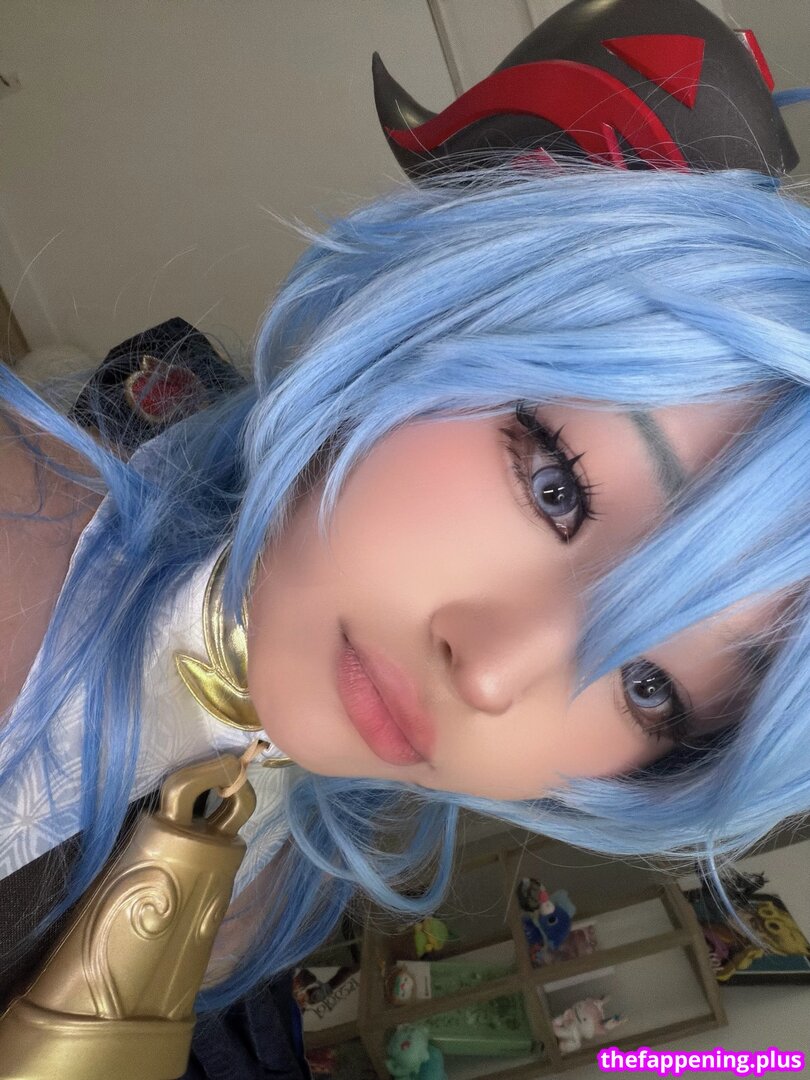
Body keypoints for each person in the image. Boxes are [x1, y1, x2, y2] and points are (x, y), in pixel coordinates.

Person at [1, 1, 809, 1076]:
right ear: (436, 318)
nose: (492, 677)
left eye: (650, 686)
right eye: (557, 488)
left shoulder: (282, 879)